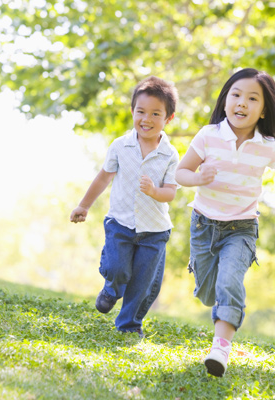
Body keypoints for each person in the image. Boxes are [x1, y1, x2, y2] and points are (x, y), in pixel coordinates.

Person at [175, 68, 275, 376]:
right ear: (225, 100)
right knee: (208, 293)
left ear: (264, 110)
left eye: (252, 98)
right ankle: (211, 291)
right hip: (204, 225)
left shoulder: (267, 147)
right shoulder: (208, 136)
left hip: (241, 228)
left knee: (229, 282)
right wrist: (198, 178)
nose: (242, 103)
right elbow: (180, 173)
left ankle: (220, 350)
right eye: (236, 95)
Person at [70, 76, 179, 338]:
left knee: (142, 284)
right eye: (141, 112)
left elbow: (170, 193)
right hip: (120, 223)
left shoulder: (170, 155)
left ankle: (129, 325)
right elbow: (104, 177)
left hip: (154, 231)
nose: (147, 119)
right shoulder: (120, 146)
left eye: (156, 113)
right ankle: (111, 289)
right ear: (132, 112)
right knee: (117, 269)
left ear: (168, 119)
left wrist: (154, 191)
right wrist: (84, 205)